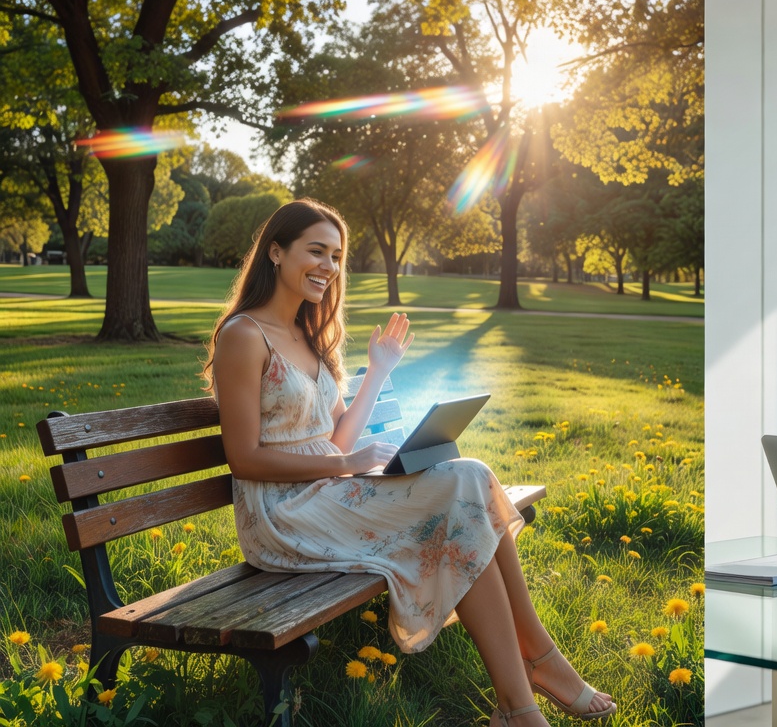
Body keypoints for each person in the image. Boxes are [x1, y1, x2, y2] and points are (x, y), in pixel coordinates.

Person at [203, 199, 614, 727]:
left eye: (336, 256)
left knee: (470, 480)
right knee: (462, 493)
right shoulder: (243, 335)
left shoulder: (309, 335)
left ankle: (525, 691)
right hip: (283, 515)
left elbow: (334, 437)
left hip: (328, 492)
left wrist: (377, 372)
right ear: (276, 253)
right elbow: (243, 459)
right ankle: (532, 676)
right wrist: (345, 465)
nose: (329, 266)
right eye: (316, 251)